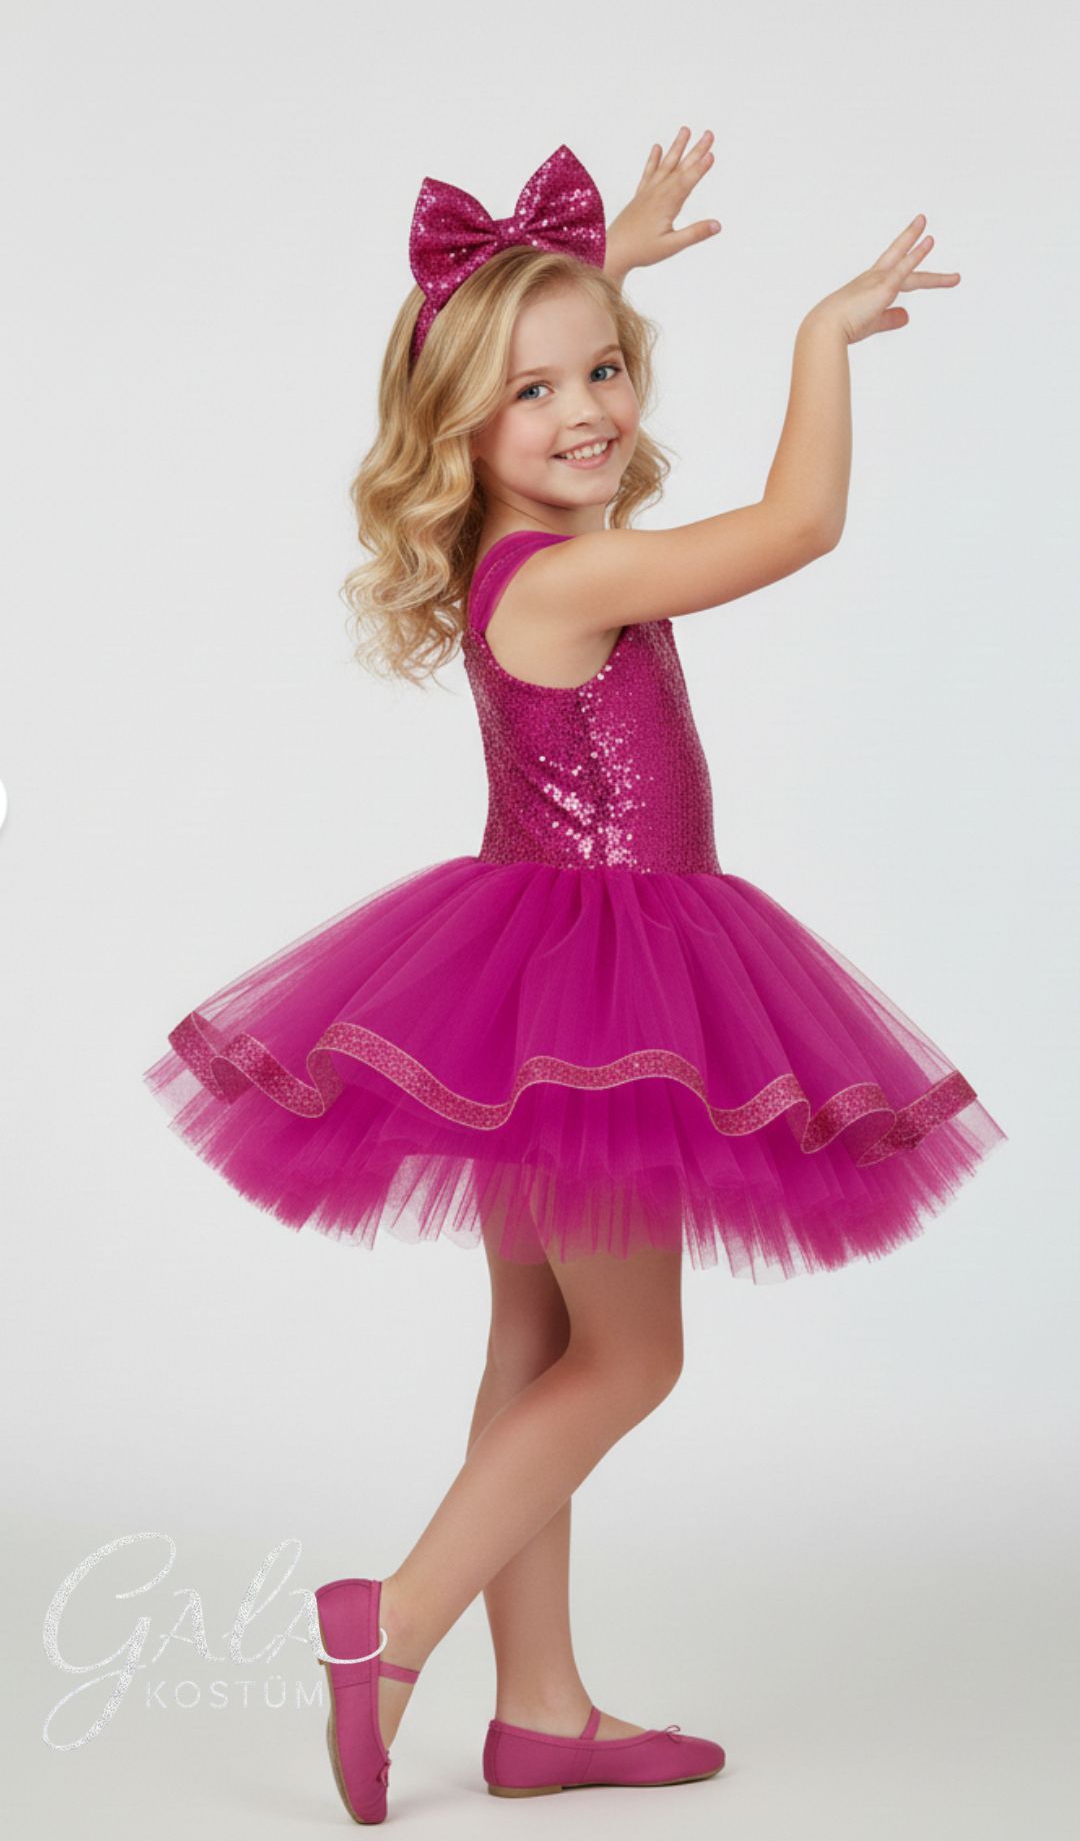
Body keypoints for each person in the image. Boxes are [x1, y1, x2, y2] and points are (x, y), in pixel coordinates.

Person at [142, 130, 1007, 1821]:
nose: (587, 410)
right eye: (533, 394)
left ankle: (541, 1713)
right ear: (460, 430)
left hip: (529, 984)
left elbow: (533, 373)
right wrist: (820, 336)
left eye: (604, 369)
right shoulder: (575, 574)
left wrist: (598, 269)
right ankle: (392, 1623)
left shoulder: (517, 553)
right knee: (632, 1361)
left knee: (536, 1336)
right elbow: (802, 524)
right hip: (603, 1004)